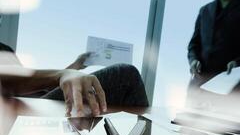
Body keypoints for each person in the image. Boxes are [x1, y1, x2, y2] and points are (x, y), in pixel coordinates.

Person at [0, 42, 148, 117]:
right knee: (126, 75)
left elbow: (39, 83)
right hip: (21, 110)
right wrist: (62, 74)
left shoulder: (4, 48)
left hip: (34, 102)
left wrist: (75, 67)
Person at [187, 0, 240, 110]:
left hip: (230, 92)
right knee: (188, 127)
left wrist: (239, 63)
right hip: (198, 90)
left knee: (226, 127)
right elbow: (194, 45)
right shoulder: (204, 10)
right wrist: (193, 60)